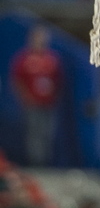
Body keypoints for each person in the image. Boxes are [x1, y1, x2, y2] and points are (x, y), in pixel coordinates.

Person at [10, 24, 63, 166]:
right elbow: (17, 80)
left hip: (48, 103)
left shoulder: (52, 59)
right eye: (38, 38)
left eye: (43, 38)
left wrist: (54, 96)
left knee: (48, 133)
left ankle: (45, 163)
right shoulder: (23, 59)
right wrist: (25, 97)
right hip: (32, 104)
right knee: (34, 134)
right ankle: (36, 164)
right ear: (31, 40)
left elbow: (58, 80)